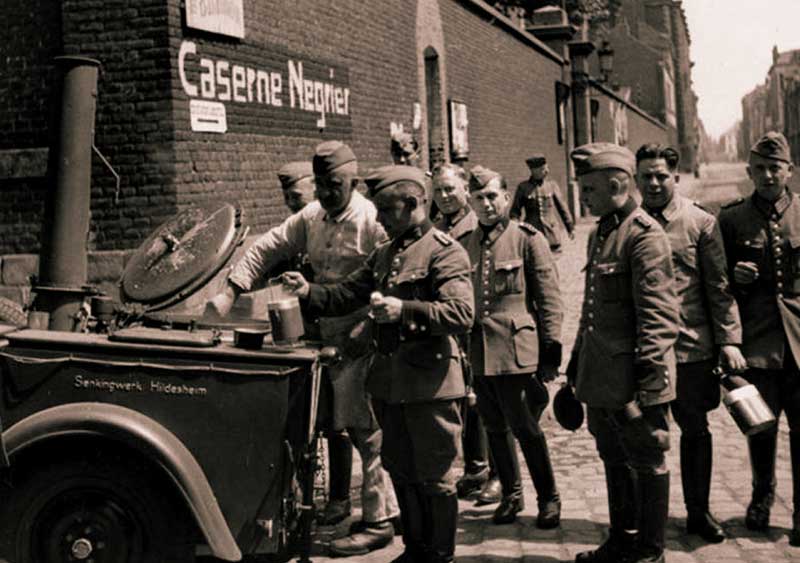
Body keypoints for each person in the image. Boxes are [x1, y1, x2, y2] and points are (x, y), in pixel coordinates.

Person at [206, 141, 399, 557]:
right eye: (322, 186)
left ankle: (379, 520)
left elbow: (392, 274)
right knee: (335, 425)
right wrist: (230, 291)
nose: (327, 194)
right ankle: (348, 504)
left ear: (353, 180)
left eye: (335, 185)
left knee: (368, 431)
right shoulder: (311, 217)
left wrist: (370, 325)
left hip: (365, 338)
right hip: (323, 339)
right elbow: (266, 248)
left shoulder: (371, 220)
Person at [283, 164, 474, 563]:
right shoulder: (385, 254)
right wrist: (308, 291)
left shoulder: (445, 251)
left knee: (435, 477)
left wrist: (404, 309)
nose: (380, 219)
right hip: (390, 384)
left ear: (413, 204)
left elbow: (460, 313)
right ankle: (416, 550)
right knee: (401, 469)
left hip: (431, 386)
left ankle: (439, 556)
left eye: (387, 211)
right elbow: (345, 294)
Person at [567, 143, 679, 563]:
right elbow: (591, 308)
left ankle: (650, 551)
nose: (584, 198)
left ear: (617, 184)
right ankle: (622, 539)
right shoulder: (602, 232)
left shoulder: (644, 236)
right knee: (612, 456)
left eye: (589, 190)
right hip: (604, 376)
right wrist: (576, 366)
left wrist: (648, 388)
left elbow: (658, 318)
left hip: (635, 379)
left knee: (647, 458)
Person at [635, 143, 746, 543]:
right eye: (646, 175)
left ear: (675, 177)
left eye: (661, 175)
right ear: (635, 179)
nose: (653, 183)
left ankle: (699, 512)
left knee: (695, 430)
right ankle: (644, 520)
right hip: (642, 352)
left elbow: (719, 287)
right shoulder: (624, 225)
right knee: (640, 435)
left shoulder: (699, 222)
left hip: (690, 348)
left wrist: (729, 340)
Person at [464, 165, 563, 528]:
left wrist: (551, 346)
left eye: (493, 196)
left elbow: (549, 296)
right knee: (494, 427)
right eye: (479, 198)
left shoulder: (527, 237)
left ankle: (548, 497)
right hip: (481, 352)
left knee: (525, 427)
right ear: (470, 202)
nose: (487, 204)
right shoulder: (466, 244)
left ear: (506, 198)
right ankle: (511, 494)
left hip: (518, 350)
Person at [718, 131, 800, 546]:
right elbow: (717, 285)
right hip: (757, 343)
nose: (768, 175)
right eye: (761, 169)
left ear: (789, 170)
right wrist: (736, 277)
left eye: (776, 168)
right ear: (750, 172)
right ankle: (761, 498)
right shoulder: (732, 219)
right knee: (760, 427)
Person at [431, 164, 501, 506]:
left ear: (464, 191)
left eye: (450, 189)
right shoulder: (436, 228)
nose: (444, 197)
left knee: (487, 402)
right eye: (439, 191)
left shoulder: (476, 228)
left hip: (479, 326)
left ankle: (498, 475)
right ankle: (475, 468)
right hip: (451, 327)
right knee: (465, 399)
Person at [510, 153, 575, 254]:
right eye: (542, 169)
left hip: (552, 234)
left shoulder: (552, 186)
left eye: (546, 168)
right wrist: (515, 231)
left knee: (553, 261)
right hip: (532, 233)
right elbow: (515, 212)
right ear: (533, 171)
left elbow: (563, 208)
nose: (546, 171)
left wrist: (570, 227)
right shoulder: (523, 188)